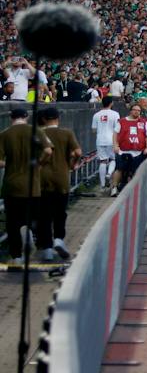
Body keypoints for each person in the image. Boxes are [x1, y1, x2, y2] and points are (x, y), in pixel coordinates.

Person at [0, 107, 47, 266]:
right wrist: (39, 163)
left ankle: (16, 256)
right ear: (26, 117)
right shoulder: (35, 131)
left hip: (11, 185)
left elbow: (0, 162)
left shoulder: (4, 134)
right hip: (32, 185)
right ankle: (28, 232)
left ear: (11, 118)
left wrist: (8, 163)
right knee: (33, 216)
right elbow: (48, 150)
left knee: (12, 222)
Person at [36, 109, 80, 261]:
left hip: (41, 178)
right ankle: (59, 239)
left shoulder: (38, 134)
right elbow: (78, 152)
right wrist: (72, 164)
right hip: (62, 177)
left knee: (44, 215)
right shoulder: (66, 133)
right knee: (60, 212)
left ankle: (46, 248)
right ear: (57, 118)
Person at [115, 104, 147, 192]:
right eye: (135, 110)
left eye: (139, 111)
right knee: (119, 169)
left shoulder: (143, 122)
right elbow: (115, 134)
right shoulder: (122, 121)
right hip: (123, 151)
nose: (137, 112)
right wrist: (115, 146)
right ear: (131, 111)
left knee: (137, 170)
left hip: (138, 152)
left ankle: (135, 189)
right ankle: (114, 187)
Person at [91, 104, 121, 190]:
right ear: (111, 103)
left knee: (102, 161)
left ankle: (103, 184)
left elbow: (93, 129)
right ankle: (109, 173)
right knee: (113, 159)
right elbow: (118, 128)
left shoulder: (96, 115)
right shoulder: (115, 114)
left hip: (100, 140)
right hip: (111, 139)